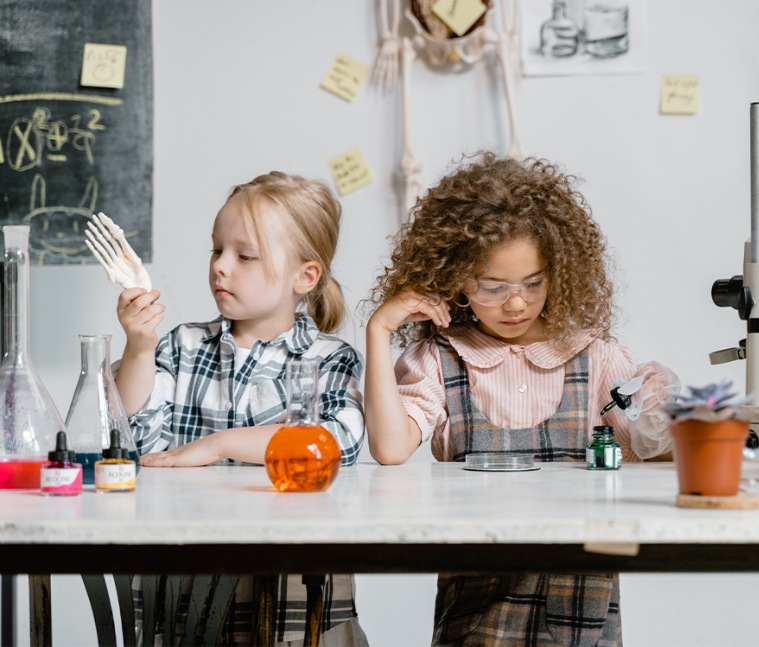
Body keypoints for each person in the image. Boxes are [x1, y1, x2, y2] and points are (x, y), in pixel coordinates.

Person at [364, 152, 679, 646]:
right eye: (493, 287)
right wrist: (379, 329)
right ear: (456, 283)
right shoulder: (440, 361)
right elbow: (389, 448)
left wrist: (667, 413)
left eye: (534, 283)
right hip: (478, 609)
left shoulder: (595, 357)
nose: (516, 303)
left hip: (582, 608)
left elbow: (652, 451)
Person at [114, 171, 368, 646]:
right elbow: (132, 441)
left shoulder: (331, 359)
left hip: (298, 599)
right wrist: (139, 348)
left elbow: (334, 447)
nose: (220, 267)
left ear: (305, 276)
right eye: (217, 250)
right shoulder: (181, 346)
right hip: (185, 590)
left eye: (244, 256)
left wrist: (218, 445)